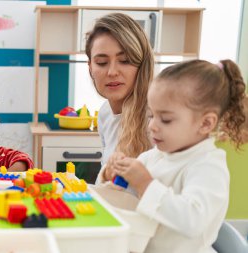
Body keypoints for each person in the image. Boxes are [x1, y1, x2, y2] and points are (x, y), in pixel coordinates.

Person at [98, 59, 246, 253]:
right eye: (151, 116)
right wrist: (113, 174)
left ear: (205, 123)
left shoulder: (208, 166)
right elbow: (128, 196)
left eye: (165, 119)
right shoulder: (155, 156)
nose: (152, 126)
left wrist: (145, 183)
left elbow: (193, 221)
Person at [85, 12, 154, 168]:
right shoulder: (105, 113)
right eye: (102, 62)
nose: (112, 72)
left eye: (125, 61)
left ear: (142, 64)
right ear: (90, 67)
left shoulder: (156, 118)